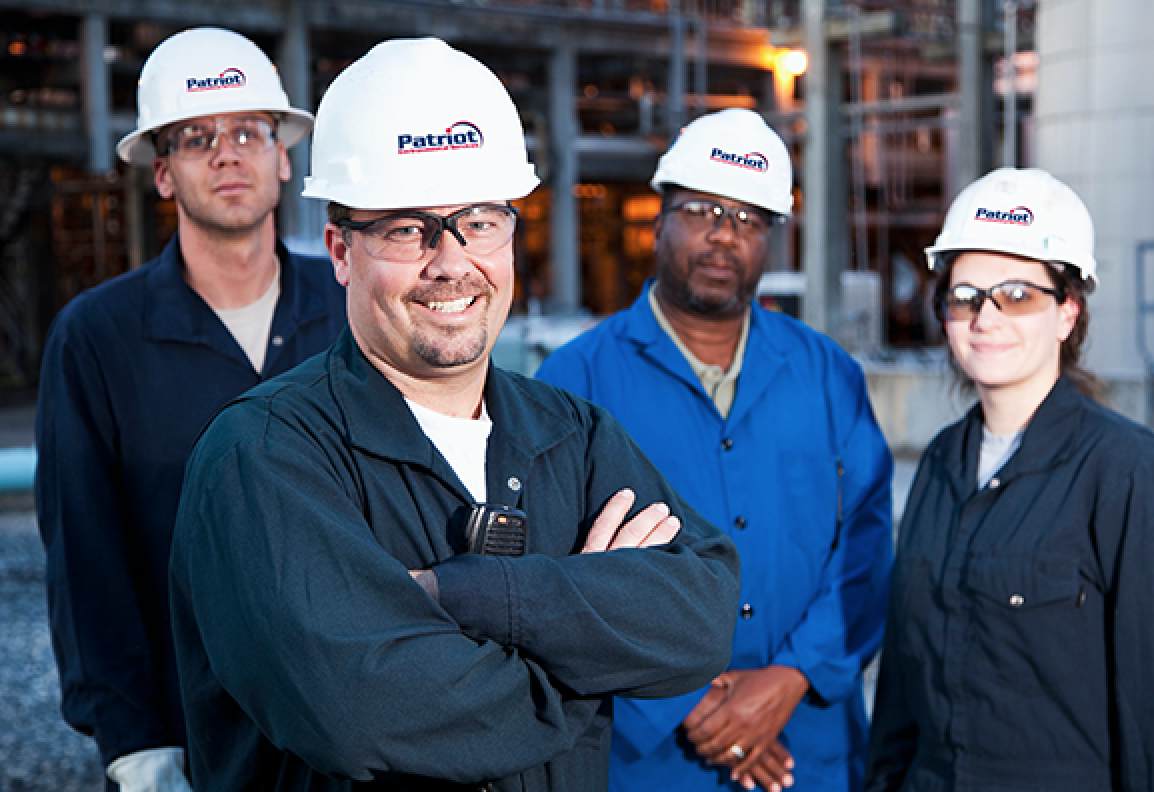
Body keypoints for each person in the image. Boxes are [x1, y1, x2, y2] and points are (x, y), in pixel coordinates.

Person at [168, 37, 742, 792]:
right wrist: (581, 655)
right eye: (407, 228)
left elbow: (701, 618)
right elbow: (361, 710)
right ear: (341, 250)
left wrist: (460, 596)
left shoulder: (572, 435)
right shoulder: (262, 456)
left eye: (478, 222)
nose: (451, 261)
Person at [537, 108, 895, 792]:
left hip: (808, 748)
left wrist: (791, 679)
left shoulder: (826, 374)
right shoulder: (574, 381)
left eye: (749, 219)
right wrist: (683, 703)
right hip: (646, 759)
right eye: (702, 209)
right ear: (657, 222)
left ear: (771, 241)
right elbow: (551, 576)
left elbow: (867, 545)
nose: (724, 234)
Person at [34, 27, 346, 792]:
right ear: (164, 172)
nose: (227, 152)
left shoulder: (349, 316)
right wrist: (133, 744)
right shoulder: (98, 336)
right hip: (188, 739)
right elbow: (84, 555)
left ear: (282, 155)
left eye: (248, 131)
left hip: (349, 725)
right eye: (197, 137)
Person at [864, 168, 1154, 792]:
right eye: (965, 296)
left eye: (1016, 294)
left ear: (1067, 312)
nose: (986, 317)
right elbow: (902, 690)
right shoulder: (939, 464)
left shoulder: (1128, 474)